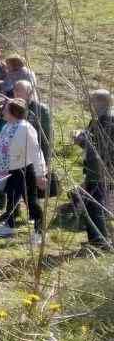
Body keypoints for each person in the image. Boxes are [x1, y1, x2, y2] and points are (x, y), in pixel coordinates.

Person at [0, 98, 48, 245]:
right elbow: (7, 145)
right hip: (11, 170)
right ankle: (9, 225)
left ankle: (40, 232)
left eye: (5, 109)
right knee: (12, 198)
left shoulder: (25, 128)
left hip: (24, 171)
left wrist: (40, 174)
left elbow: (35, 151)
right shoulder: (9, 125)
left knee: (31, 202)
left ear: (13, 112)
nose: (3, 111)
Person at [74, 89, 114, 251]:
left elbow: (101, 147)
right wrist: (82, 135)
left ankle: (100, 243)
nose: (88, 104)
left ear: (100, 102)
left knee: (94, 205)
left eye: (91, 101)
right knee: (91, 205)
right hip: (95, 169)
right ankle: (96, 240)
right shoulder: (99, 119)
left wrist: (80, 140)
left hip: (101, 170)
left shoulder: (108, 121)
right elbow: (91, 138)